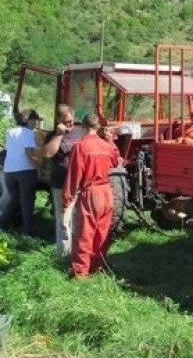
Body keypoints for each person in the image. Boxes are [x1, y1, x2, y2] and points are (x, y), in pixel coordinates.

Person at [63, 113, 119, 278]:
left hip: (91, 191)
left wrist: (66, 198)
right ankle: (98, 266)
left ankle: (80, 272)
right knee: (102, 232)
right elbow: (117, 161)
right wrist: (110, 141)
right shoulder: (107, 146)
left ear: (83, 127)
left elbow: (74, 175)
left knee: (84, 233)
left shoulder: (80, 147)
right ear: (99, 128)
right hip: (107, 191)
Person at [42, 104, 83, 256]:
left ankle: (78, 251)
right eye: (66, 122)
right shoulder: (52, 135)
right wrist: (59, 135)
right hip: (61, 184)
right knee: (64, 219)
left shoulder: (80, 132)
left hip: (79, 183)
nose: (70, 124)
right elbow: (47, 154)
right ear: (58, 120)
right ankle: (63, 254)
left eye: (71, 121)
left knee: (79, 218)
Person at [0, 109, 40, 236]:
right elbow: (28, 152)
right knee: (27, 203)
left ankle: (0, 226)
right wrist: (38, 167)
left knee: (15, 200)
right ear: (29, 120)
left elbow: (9, 149)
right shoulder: (28, 133)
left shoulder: (10, 132)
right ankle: (29, 233)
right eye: (35, 120)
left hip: (9, 171)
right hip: (25, 171)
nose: (35, 123)